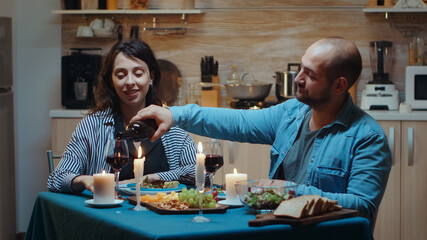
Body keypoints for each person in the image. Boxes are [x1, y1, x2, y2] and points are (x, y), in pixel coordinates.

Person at [130, 37, 392, 225]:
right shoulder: (291, 113)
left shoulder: (367, 137)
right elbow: (239, 122)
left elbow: (363, 207)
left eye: (310, 74)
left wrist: (289, 190)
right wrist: (175, 114)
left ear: (339, 85)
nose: (298, 78)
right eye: (301, 67)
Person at [48, 39, 197, 194]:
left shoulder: (170, 126)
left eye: (138, 73)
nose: (130, 82)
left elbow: (199, 171)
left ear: (151, 77)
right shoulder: (92, 125)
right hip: (108, 216)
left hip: (161, 215)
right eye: (120, 75)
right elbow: (57, 178)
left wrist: (153, 178)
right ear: (111, 81)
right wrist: (85, 179)